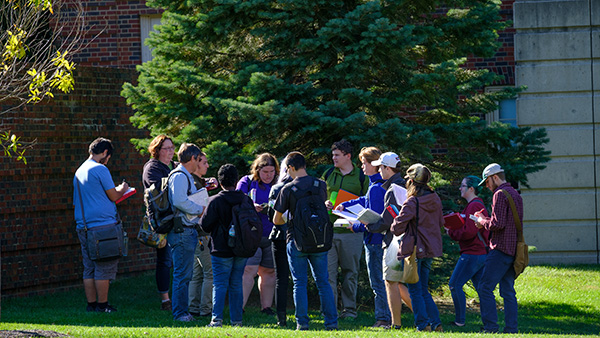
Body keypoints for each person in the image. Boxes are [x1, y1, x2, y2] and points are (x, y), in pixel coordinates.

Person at [273, 152, 338, 331]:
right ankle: (331, 322)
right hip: (319, 239)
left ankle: (302, 323)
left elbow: (276, 220)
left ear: (291, 167)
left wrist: (290, 219)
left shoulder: (287, 189)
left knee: (299, 283)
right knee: (323, 282)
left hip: (296, 241)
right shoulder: (320, 184)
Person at [334, 147, 391, 328]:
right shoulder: (377, 185)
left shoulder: (376, 188)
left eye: (364, 163)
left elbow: (373, 220)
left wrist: (355, 226)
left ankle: (383, 319)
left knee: (378, 283)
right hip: (380, 241)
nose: (362, 167)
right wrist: (345, 204)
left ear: (374, 165)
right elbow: (363, 200)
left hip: (375, 242)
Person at [73, 137, 129, 313]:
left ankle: (91, 305)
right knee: (104, 266)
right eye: (108, 156)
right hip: (103, 227)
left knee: (89, 267)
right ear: (105, 153)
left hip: (84, 226)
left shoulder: (79, 170)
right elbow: (114, 195)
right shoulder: (100, 169)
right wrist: (124, 188)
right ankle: (103, 306)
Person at [390, 163, 443, 332]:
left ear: (411, 181)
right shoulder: (435, 198)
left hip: (413, 250)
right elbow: (440, 222)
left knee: (414, 289)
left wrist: (396, 217)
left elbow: (396, 228)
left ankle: (423, 324)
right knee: (423, 289)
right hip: (429, 249)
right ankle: (436, 324)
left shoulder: (412, 201)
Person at [473, 163, 522, 334]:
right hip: (513, 250)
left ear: (495, 177)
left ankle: (491, 327)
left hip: (500, 249)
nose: (486, 186)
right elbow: (506, 223)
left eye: (487, 181)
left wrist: (481, 221)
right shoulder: (515, 193)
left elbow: (497, 224)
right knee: (508, 291)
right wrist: (487, 219)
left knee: (484, 287)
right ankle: (511, 329)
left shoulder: (499, 194)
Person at [365, 152, 412, 329]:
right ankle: (425, 320)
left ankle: (398, 323)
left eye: (381, 167)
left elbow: (387, 221)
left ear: (387, 168)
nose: (378, 170)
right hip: (405, 240)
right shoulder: (405, 184)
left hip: (394, 241)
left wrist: (368, 224)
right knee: (399, 283)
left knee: (391, 282)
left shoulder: (393, 189)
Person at [200, 164, 250, 327]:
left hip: (220, 248)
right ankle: (237, 321)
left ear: (220, 181)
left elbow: (205, 225)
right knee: (236, 283)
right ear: (236, 180)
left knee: (220, 284)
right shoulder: (245, 199)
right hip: (241, 247)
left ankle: (216, 319)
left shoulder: (215, 201)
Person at [322, 139, 366, 320]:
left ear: (348, 156)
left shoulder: (362, 177)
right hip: (329, 231)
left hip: (351, 232)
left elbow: (367, 202)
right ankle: (330, 310)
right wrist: (324, 202)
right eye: (333, 155)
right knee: (328, 274)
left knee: (350, 272)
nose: (333, 158)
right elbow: (320, 195)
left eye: (337, 155)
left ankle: (349, 311)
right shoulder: (328, 174)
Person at [167, 143, 206, 322]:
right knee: (182, 275)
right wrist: (200, 209)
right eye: (198, 160)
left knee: (185, 274)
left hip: (185, 230)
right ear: (192, 158)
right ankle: (180, 313)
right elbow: (179, 201)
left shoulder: (184, 175)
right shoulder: (180, 176)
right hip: (182, 230)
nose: (199, 163)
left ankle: (182, 312)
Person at [236, 153, 279, 315]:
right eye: (265, 172)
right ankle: (240, 307)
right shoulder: (247, 182)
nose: (268, 175)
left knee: (269, 271)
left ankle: (266, 307)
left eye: (271, 172)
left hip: (271, 233)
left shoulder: (278, 183)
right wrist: (250, 205)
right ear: (257, 170)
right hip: (251, 233)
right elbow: (237, 200)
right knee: (249, 269)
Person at [446, 175, 490, 327]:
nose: (460, 188)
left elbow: (469, 231)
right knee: (482, 290)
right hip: (479, 253)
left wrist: (450, 232)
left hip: (472, 253)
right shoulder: (475, 205)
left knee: (454, 284)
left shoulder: (474, 206)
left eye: (463, 186)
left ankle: (459, 322)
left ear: (471, 189)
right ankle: (489, 324)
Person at [142, 134, 176, 311]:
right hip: (161, 219)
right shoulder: (152, 167)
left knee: (176, 259)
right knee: (164, 259)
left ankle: (178, 296)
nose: (171, 152)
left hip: (176, 217)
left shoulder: (175, 166)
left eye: (172, 148)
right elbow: (157, 190)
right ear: (157, 150)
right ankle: (165, 299)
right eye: (167, 149)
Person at [188, 154, 217, 318]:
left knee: (196, 274)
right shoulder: (195, 184)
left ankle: (193, 307)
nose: (207, 166)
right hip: (201, 233)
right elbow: (201, 210)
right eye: (204, 163)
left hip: (193, 233)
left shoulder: (194, 182)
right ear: (196, 164)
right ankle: (206, 309)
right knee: (209, 273)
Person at [267, 156, 294, 327]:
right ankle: (302, 315)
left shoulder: (277, 188)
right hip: (299, 237)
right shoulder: (305, 186)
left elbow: (271, 216)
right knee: (299, 279)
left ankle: (281, 318)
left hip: (279, 236)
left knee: (281, 278)